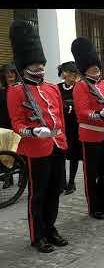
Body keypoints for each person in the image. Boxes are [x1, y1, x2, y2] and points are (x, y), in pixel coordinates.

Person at [7, 20, 69, 253]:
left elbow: (60, 118)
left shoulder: (52, 88)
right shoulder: (15, 91)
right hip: (35, 149)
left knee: (54, 191)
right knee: (38, 194)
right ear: (24, 68)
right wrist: (33, 131)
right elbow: (17, 124)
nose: (40, 69)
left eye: (41, 65)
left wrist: (63, 141)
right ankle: (37, 235)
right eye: (34, 65)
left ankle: (51, 228)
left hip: (55, 145)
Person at [71, 37, 104, 220]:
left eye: (96, 66)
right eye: (91, 67)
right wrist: (98, 115)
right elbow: (82, 112)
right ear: (85, 69)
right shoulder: (81, 86)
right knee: (92, 175)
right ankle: (94, 207)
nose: (95, 69)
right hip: (91, 137)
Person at [57, 61, 81, 195]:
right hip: (61, 126)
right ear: (64, 74)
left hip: (74, 127)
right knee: (60, 155)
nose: (74, 77)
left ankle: (71, 182)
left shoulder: (79, 87)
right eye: (72, 74)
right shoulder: (57, 88)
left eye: (76, 74)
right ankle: (62, 182)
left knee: (73, 156)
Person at [0, 63, 17, 189]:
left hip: (18, 124)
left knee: (20, 151)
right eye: (7, 73)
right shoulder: (2, 92)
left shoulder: (22, 89)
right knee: (6, 152)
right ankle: (8, 177)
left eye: (12, 72)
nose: (10, 75)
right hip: (5, 125)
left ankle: (22, 176)